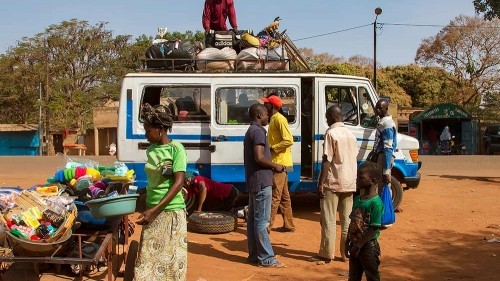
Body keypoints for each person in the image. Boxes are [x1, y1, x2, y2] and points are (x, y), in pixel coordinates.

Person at [134, 103, 188, 281]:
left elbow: (178, 182)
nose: (146, 135)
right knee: (147, 264)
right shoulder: (151, 150)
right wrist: (137, 193)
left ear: (161, 129)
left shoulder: (176, 149)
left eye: (149, 130)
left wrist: (154, 210)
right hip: (152, 211)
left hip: (170, 212)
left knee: (171, 266)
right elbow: (154, 181)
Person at [309, 105, 358, 264]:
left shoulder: (331, 133)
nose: (326, 119)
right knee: (347, 221)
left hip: (333, 182)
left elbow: (327, 160)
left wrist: (320, 183)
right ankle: (345, 254)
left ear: (331, 116)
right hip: (349, 182)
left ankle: (326, 254)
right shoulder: (351, 134)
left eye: (327, 116)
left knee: (328, 220)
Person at [244, 103, 286, 268]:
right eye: (267, 114)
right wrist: (275, 166)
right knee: (262, 221)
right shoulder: (259, 131)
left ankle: (255, 255)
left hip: (255, 181)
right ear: (259, 115)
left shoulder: (250, 131)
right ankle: (266, 258)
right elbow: (259, 157)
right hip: (262, 181)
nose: (269, 117)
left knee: (254, 221)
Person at [261, 94, 296, 233]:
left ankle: (267, 227)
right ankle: (289, 225)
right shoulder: (275, 119)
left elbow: (288, 140)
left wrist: (272, 149)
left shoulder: (279, 119)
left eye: (266, 104)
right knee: (284, 197)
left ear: (273, 106)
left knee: (274, 196)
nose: (264, 106)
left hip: (279, 163)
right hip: (281, 162)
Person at [345, 161, 384, 281]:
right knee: (353, 277)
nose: (357, 180)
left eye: (361, 178)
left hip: (367, 248)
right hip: (355, 245)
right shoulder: (357, 199)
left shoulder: (376, 203)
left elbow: (373, 229)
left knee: (372, 277)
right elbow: (353, 223)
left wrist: (358, 246)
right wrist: (347, 242)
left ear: (373, 181)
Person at [372, 99, 397, 190]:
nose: (377, 110)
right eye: (376, 108)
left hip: (385, 156)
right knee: (380, 184)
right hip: (381, 155)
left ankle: (386, 204)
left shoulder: (387, 124)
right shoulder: (382, 121)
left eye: (380, 108)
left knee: (384, 185)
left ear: (386, 109)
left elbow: (388, 148)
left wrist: (386, 170)